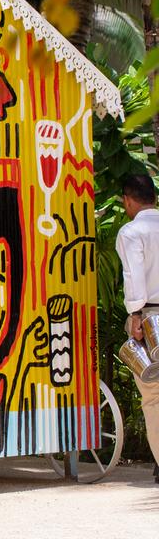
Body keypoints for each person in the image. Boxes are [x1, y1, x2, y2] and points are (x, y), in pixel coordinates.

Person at [116, 172, 159, 482]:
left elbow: (134, 278)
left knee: (153, 395)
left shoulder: (132, 232)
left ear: (128, 200)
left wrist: (135, 316)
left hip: (150, 317)